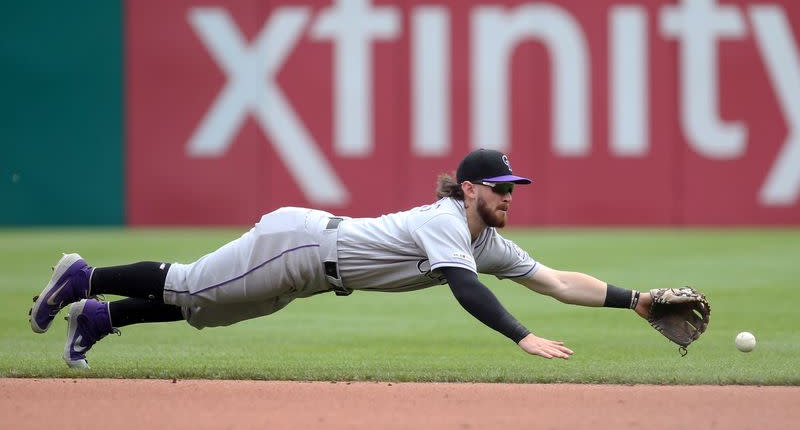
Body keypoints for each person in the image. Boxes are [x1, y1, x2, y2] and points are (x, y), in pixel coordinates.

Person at [30, 148, 655, 369]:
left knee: (203, 312)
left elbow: (557, 281)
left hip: (312, 272)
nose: (508, 197)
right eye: (501, 188)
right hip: (300, 244)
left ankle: (100, 319)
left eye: (512, 190)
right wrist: (519, 336)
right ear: (469, 190)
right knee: (192, 284)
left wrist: (638, 301)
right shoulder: (446, 222)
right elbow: (464, 289)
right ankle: (85, 274)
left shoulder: (484, 240)